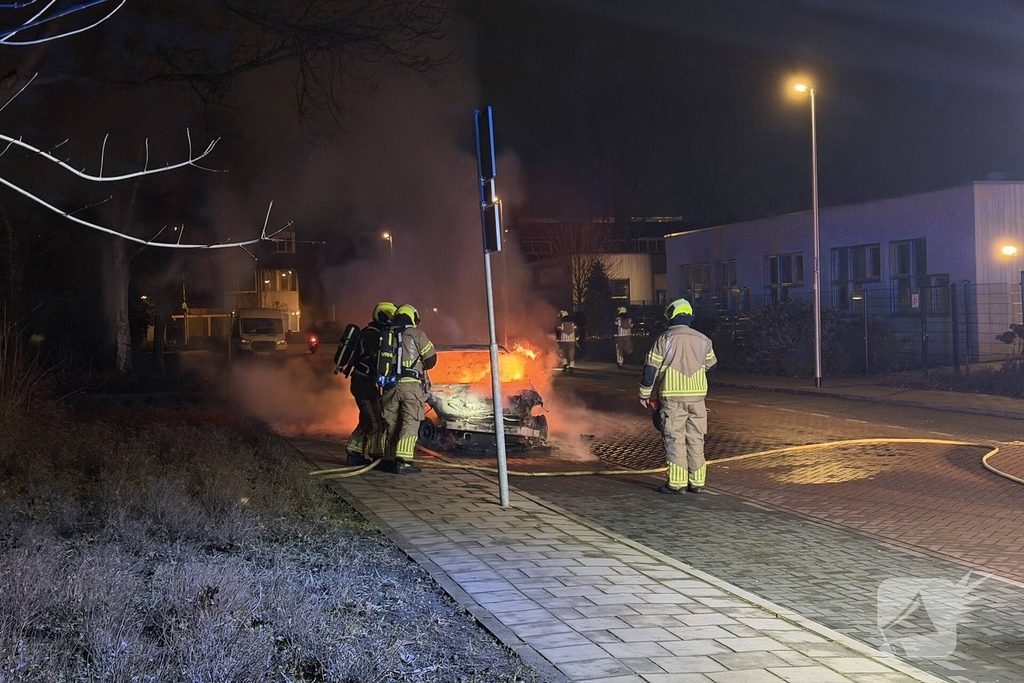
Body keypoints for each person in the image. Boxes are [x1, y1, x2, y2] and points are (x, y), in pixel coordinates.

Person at [639, 297, 717, 494]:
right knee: (696, 439)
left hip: (672, 399)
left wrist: (644, 394)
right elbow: (712, 365)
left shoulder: (664, 340)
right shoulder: (703, 340)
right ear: (689, 316)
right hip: (698, 399)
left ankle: (676, 484)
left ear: (670, 316)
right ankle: (697, 482)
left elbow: (650, 370)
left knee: (675, 440)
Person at [380, 304, 437, 474]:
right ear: (412, 317)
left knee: (392, 423)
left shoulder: (387, 334)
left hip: (390, 387)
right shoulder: (417, 334)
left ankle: (389, 459)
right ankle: (403, 461)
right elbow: (431, 360)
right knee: (410, 421)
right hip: (410, 387)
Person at [346, 302, 395, 467]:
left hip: (364, 382)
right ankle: (377, 456)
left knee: (367, 419)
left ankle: (354, 452)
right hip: (363, 383)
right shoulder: (372, 335)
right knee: (376, 422)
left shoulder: (371, 332)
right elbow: (375, 359)